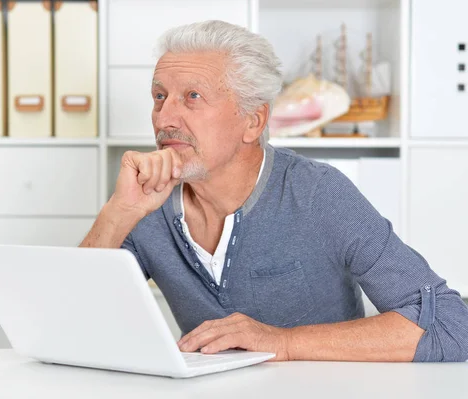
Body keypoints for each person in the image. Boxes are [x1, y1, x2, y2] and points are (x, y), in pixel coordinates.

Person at [81, 20, 468, 362]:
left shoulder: (318, 193)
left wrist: (281, 342)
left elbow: (450, 325)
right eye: (159, 96)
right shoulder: (147, 202)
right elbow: (69, 318)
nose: (164, 118)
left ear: (253, 121)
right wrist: (118, 212)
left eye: (192, 97)